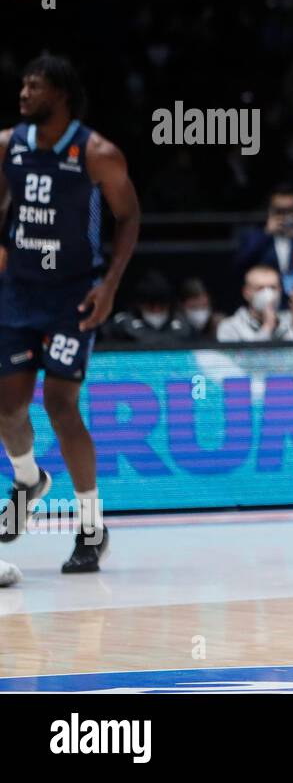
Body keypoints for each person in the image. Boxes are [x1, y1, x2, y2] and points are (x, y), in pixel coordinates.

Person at [0, 54, 141, 572]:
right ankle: (27, 478)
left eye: (33, 86)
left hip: (72, 296)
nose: (23, 93)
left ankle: (89, 526)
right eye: (22, 84)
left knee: (61, 405)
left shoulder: (96, 152)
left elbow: (128, 218)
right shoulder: (7, 145)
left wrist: (109, 285)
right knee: (8, 409)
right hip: (18, 293)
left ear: (59, 95)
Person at [234, 186, 293, 307]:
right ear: (270, 211)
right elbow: (240, 264)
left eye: (290, 211)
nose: (285, 216)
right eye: (280, 211)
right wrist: (266, 233)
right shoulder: (254, 235)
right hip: (263, 301)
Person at [106, 269, 195, 344]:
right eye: (150, 306)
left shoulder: (183, 324)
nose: (156, 310)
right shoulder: (121, 324)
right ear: (139, 304)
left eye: (161, 306)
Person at [216, 264, 293, 343]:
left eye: (273, 288)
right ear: (246, 293)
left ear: (280, 290)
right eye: (260, 288)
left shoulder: (291, 322)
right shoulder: (230, 327)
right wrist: (267, 326)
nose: (268, 293)